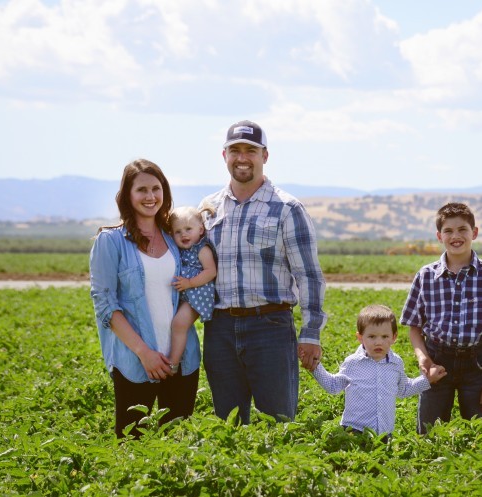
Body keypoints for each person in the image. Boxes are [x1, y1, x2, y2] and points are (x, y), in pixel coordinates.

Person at [200, 119, 327, 424]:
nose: (242, 158)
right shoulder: (209, 209)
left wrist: (311, 333)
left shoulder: (286, 208)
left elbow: (308, 275)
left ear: (265, 156)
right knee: (227, 427)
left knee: (279, 421)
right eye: (235, 151)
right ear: (224, 156)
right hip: (219, 330)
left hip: (270, 326)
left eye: (250, 151)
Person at [90, 159, 200, 438]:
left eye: (156, 188)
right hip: (134, 361)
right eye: (141, 190)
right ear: (127, 195)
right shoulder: (111, 241)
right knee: (131, 443)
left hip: (181, 360)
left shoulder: (177, 237)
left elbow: (199, 287)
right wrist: (144, 353)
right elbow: (105, 305)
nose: (150, 197)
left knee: (178, 447)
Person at [400, 202, 482, 434]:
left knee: (480, 434)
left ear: (474, 232)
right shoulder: (425, 276)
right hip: (437, 362)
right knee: (429, 433)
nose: (456, 236)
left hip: (477, 365)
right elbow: (414, 326)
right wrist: (423, 358)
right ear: (439, 236)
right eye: (448, 231)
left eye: (462, 229)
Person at [310, 304, 447, 437]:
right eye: (372, 337)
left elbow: (404, 389)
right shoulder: (353, 363)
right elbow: (333, 386)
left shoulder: (396, 363)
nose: (378, 342)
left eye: (384, 337)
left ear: (394, 337)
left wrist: (427, 379)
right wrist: (315, 365)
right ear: (360, 338)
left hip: (384, 433)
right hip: (354, 430)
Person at [168, 205, 217, 370]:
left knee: (179, 324)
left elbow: (211, 272)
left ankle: (173, 362)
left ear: (201, 230)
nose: (184, 234)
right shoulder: (179, 250)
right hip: (187, 294)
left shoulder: (201, 249)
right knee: (176, 324)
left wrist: (189, 283)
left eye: (188, 229)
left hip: (198, 293)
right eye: (178, 231)